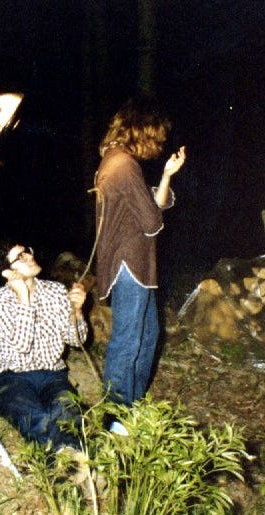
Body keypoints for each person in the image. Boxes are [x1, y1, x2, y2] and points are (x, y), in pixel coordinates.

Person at [93, 99, 186, 434]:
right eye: (156, 137)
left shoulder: (114, 160)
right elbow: (151, 220)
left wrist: (165, 176)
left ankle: (130, 406)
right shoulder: (124, 165)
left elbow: (151, 205)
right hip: (128, 263)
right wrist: (153, 208)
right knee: (129, 340)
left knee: (148, 335)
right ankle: (115, 416)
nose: (158, 145)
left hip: (136, 264)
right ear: (141, 131)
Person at [0, 242, 89, 451]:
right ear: (7, 272)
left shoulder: (56, 291)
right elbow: (22, 346)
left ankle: (69, 463)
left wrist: (76, 312)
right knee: (35, 417)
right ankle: (70, 459)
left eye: (27, 251)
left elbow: (77, 341)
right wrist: (24, 298)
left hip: (53, 375)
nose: (29, 257)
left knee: (67, 413)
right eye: (20, 257)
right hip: (12, 379)